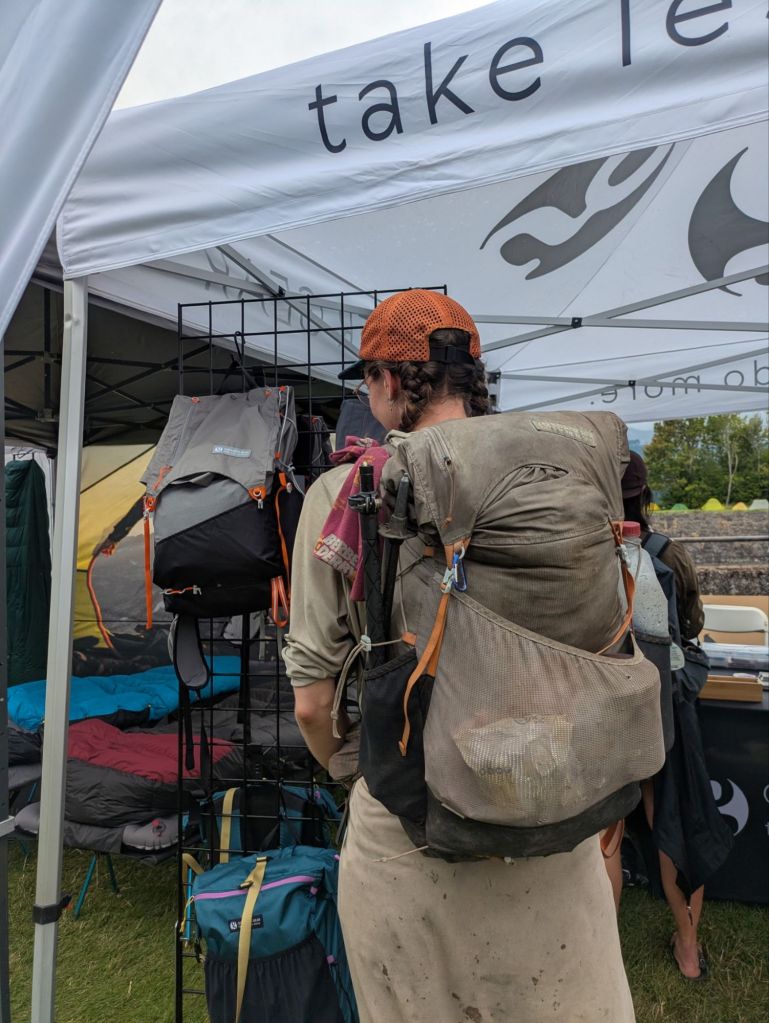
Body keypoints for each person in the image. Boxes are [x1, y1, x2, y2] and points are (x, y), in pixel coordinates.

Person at [283, 290, 636, 1023]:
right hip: (553, 814)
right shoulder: (554, 477)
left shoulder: (348, 490)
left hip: (410, 834)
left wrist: (356, 770)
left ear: (386, 379)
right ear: (473, 378)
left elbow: (312, 702)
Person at [607, 452, 730, 981]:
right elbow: (692, 623)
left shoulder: (586, 558)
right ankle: (688, 948)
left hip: (606, 702)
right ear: (646, 494)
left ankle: (602, 950)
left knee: (607, 831)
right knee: (675, 818)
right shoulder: (667, 554)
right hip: (664, 707)